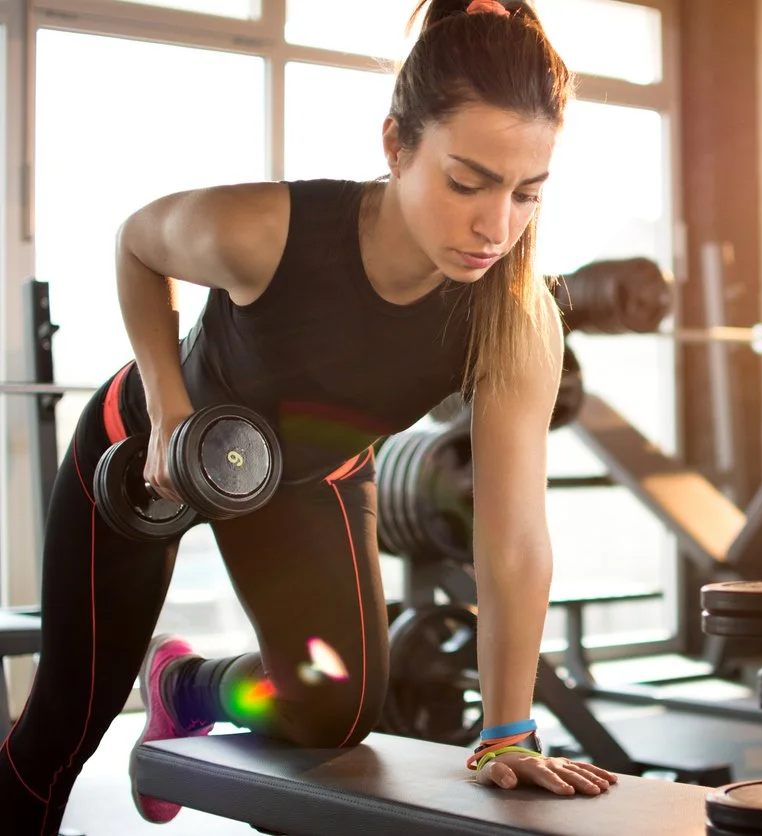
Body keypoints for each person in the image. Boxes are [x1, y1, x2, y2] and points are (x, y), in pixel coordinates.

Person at [0, 1, 618, 832]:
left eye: (526, 194)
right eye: (468, 182)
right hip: (151, 450)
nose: (494, 227)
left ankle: (187, 686)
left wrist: (506, 734)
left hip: (305, 477)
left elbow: (511, 538)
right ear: (397, 144)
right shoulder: (268, 231)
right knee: (64, 725)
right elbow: (137, 243)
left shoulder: (515, 318)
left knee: (337, 710)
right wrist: (171, 407)